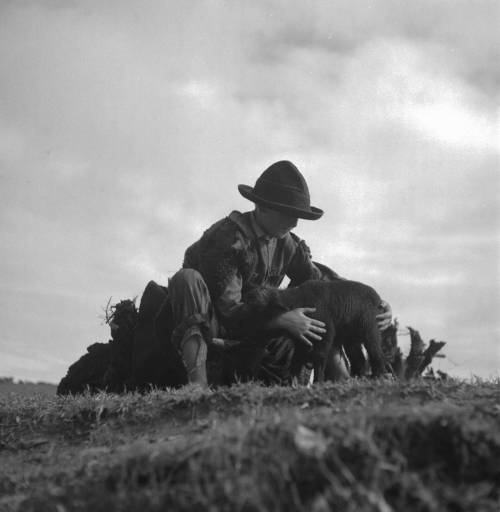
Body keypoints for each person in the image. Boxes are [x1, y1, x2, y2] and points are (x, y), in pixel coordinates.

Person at [168, 160, 392, 387]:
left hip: (258, 328)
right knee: (186, 279)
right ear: (262, 207)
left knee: (323, 305)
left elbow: (318, 281)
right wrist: (280, 320)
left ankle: (343, 382)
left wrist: (372, 303)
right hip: (217, 324)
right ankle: (197, 385)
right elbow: (229, 313)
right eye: (288, 213)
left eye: (297, 216)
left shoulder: (287, 244)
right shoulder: (227, 240)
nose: (294, 223)